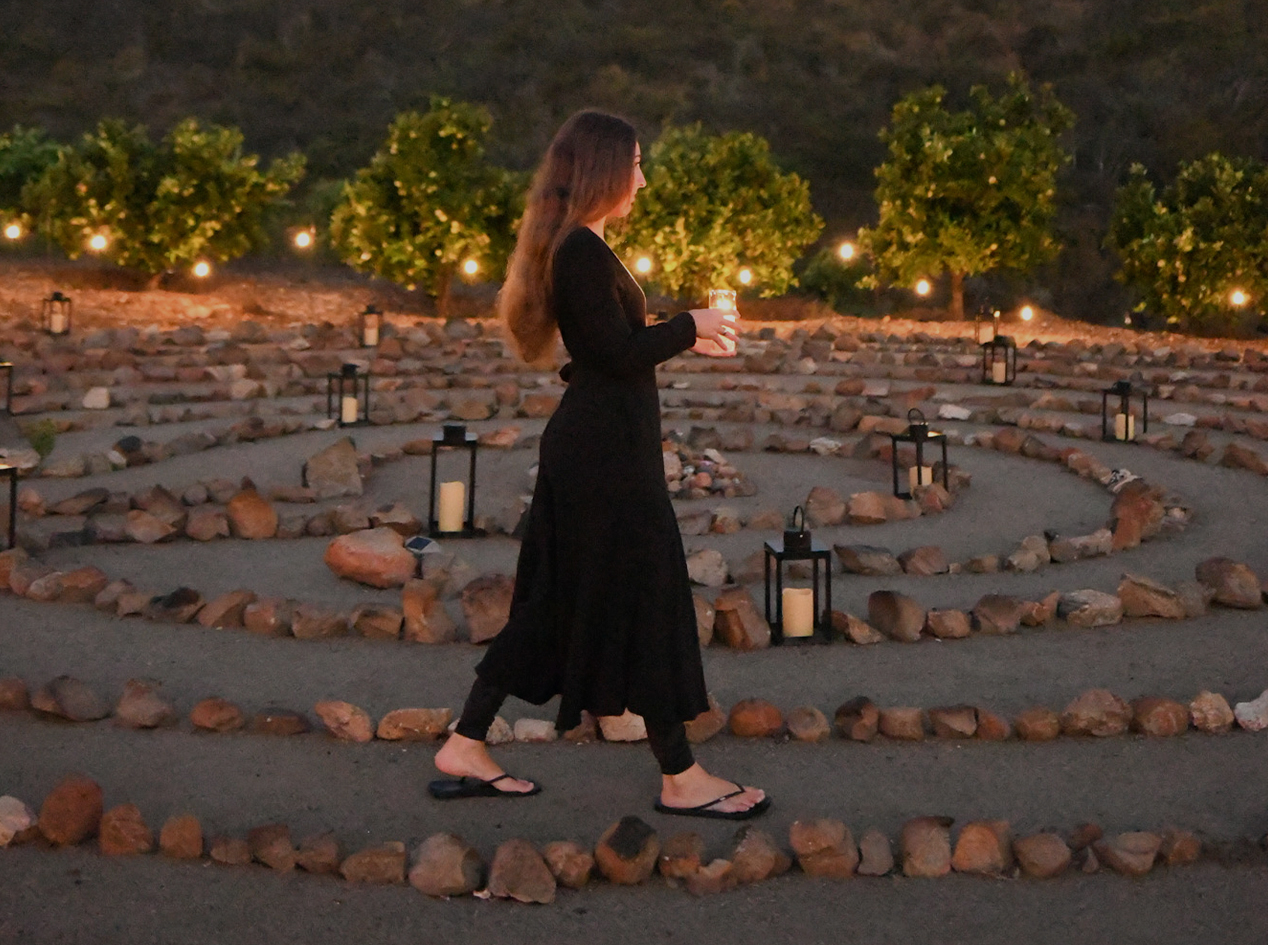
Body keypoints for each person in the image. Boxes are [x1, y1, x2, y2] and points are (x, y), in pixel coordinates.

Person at [430, 110, 768, 820]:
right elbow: (609, 356)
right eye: (637, 164)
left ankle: (465, 742)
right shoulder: (581, 249)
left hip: (603, 448)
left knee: (558, 599)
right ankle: (680, 775)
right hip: (603, 458)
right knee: (646, 596)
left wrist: (676, 337)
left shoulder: (587, 246)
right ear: (606, 170)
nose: (643, 178)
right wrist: (689, 326)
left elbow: (608, 342)